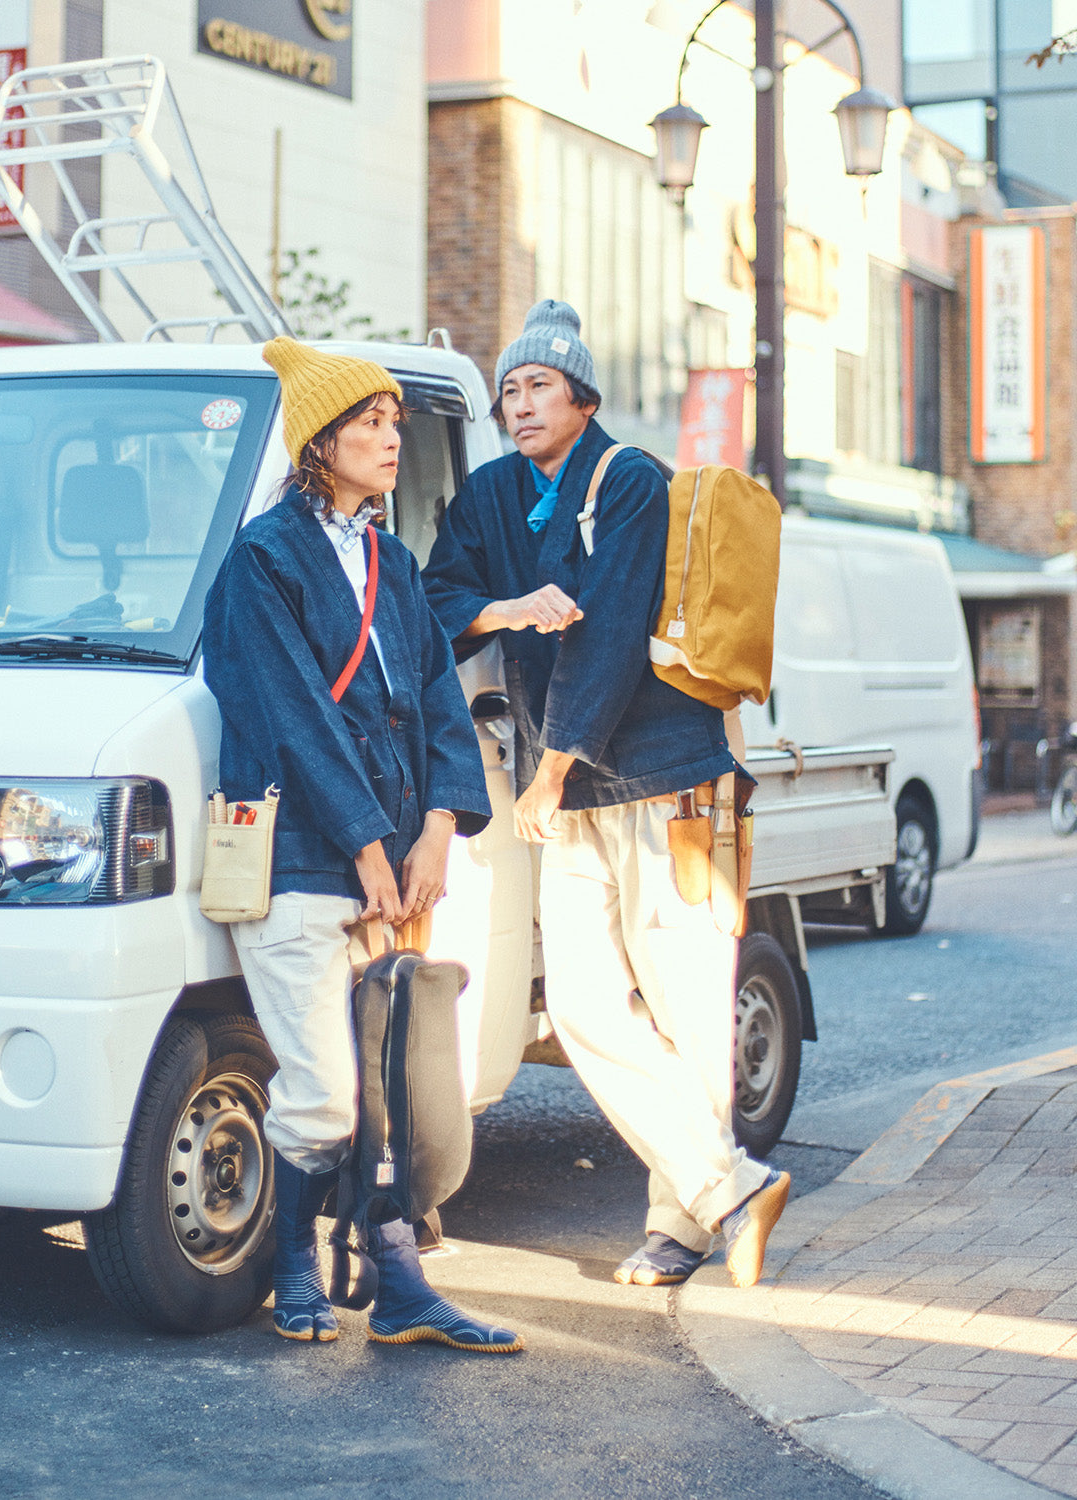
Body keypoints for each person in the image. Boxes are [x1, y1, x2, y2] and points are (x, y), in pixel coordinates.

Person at [423, 300, 790, 1292]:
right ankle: (729, 1187)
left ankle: (683, 1223)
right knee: (583, 1004)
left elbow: (616, 632)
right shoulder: (495, 495)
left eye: (541, 384)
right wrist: (502, 605)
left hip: (669, 779)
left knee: (685, 1005)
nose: (521, 402)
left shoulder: (630, 481)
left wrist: (546, 773)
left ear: (583, 397)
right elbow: (434, 598)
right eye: (509, 389)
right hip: (572, 792)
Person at [202, 337, 522, 1353]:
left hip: (393, 868)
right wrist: (372, 846)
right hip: (301, 863)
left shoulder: (395, 559)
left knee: (385, 1093)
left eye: (395, 423)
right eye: (372, 424)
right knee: (326, 1098)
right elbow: (293, 716)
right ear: (319, 444)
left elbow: (436, 702)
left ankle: (401, 1288)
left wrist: (436, 831)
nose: (393, 438)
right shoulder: (263, 560)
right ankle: (293, 1272)